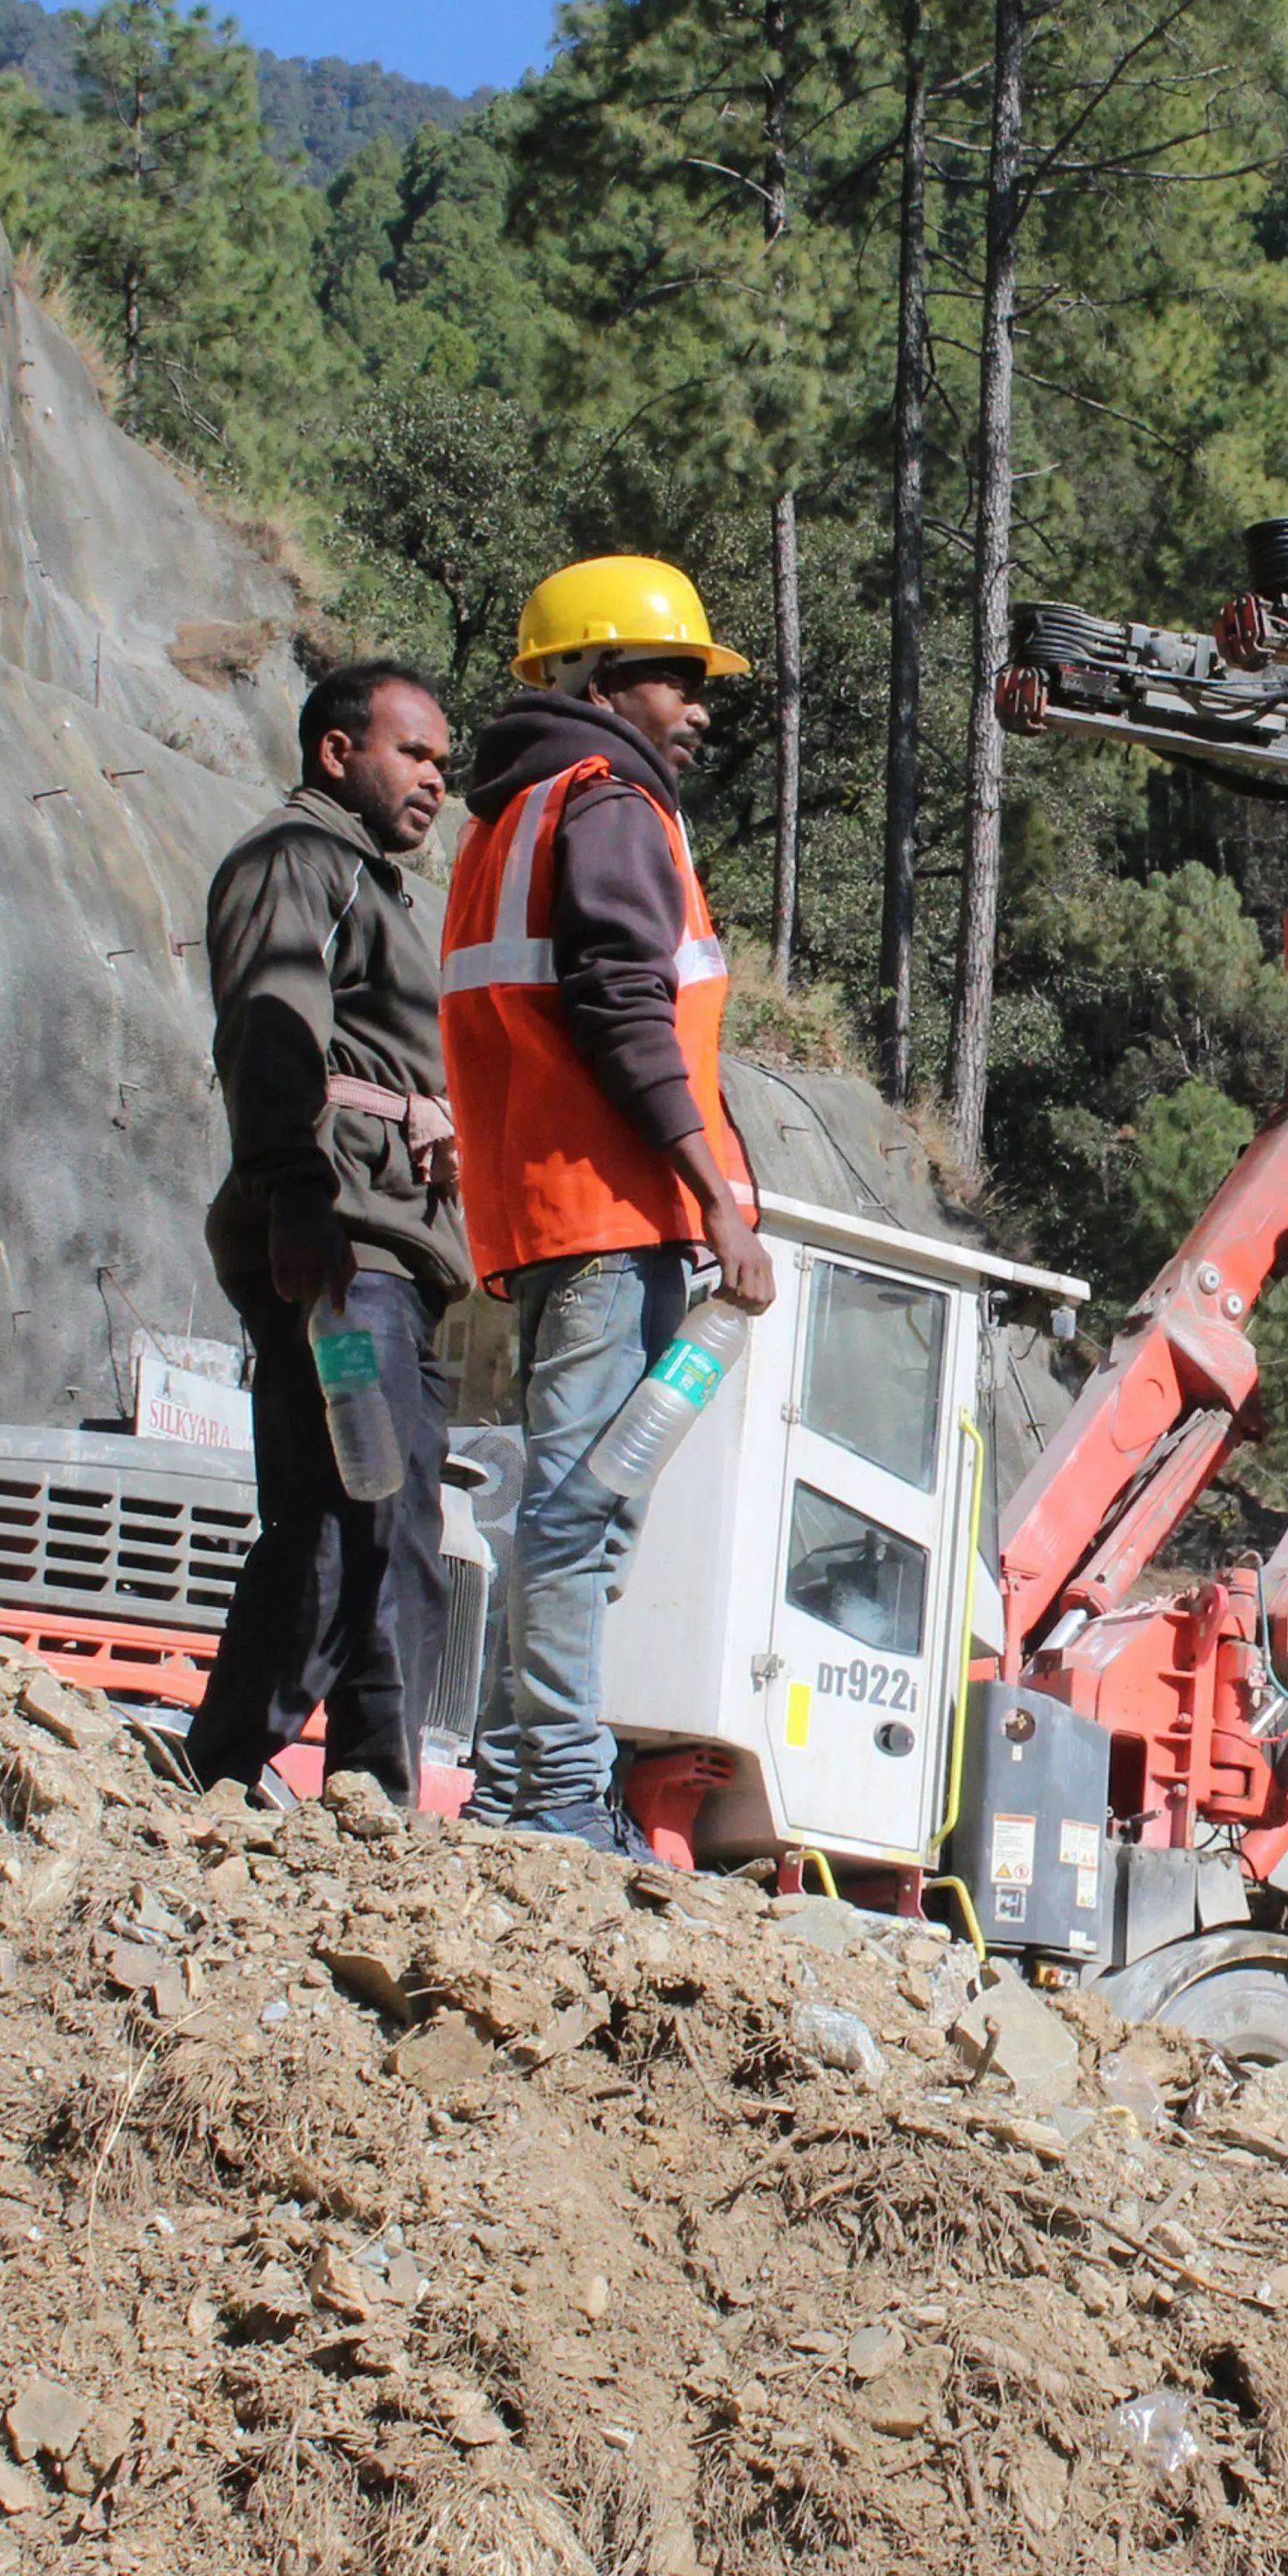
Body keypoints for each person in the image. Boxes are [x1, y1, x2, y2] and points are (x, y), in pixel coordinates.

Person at [442, 556, 780, 1852]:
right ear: (596, 676)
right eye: (675, 676)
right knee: (580, 1511)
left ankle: (527, 1783)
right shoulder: (610, 804)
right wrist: (716, 1196)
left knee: (564, 1508)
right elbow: (628, 1014)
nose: (699, 708)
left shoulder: (504, 816)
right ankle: (555, 1799)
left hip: (542, 1215)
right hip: (613, 1213)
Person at [190, 659, 467, 1804]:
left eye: (446, 765)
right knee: (367, 1513)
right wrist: (298, 1194)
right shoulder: (299, 865)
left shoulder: (367, 883)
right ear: (337, 752)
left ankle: (305, 1773)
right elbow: (272, 1036)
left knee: (354, 1516)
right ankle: (298, 1775)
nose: (436, 782)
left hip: (374, 1244)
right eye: (415, 754)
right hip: (345, 1257)